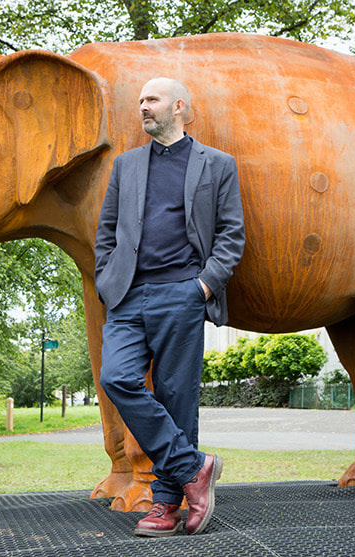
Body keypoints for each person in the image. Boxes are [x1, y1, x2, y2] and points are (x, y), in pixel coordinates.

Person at [94, 77, 245, 537]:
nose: (143, 107)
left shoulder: (217, 165)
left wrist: (201, 288)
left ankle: (165, 506)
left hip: (182, 294)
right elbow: (107, 232)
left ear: (178, 106)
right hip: (127, 297)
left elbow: (231, 236)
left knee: (179, 399)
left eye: (151, 100)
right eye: (140, 100)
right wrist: (106, 280)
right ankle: (193, 467)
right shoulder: (127, 165)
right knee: (116, 378)